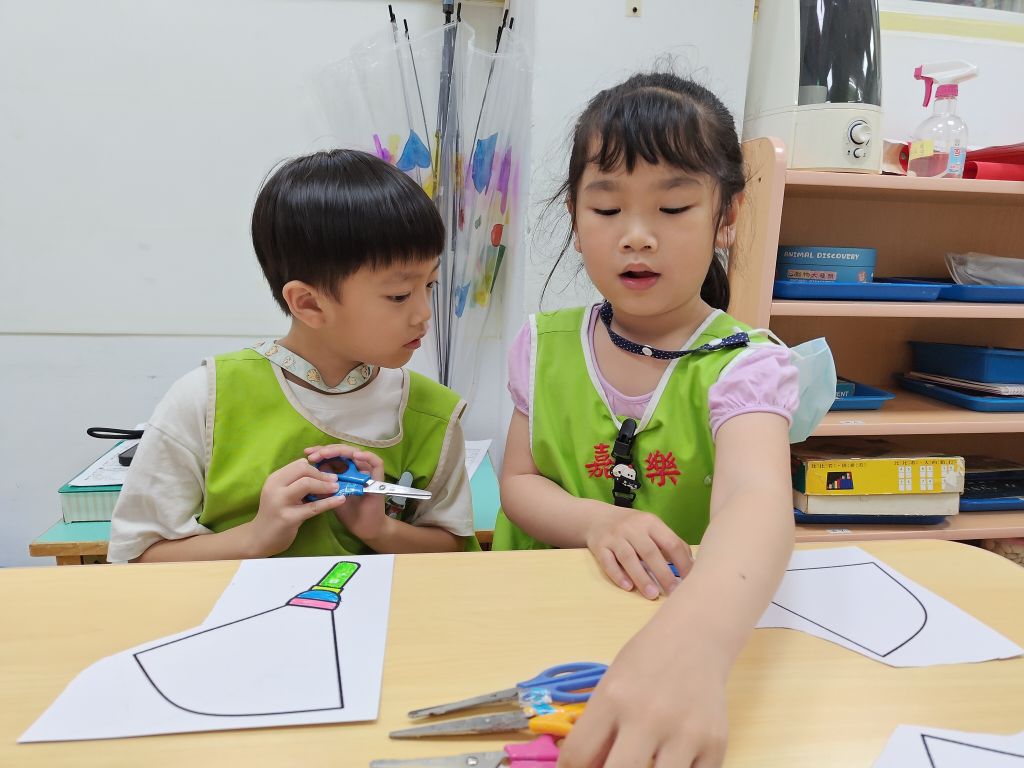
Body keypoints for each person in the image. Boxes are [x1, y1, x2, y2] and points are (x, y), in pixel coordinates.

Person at [494, 72, 832, 767]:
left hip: (671, 629)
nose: (637, 237)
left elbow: (756, 500)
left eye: (673, 207)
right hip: (528, 625)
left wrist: (695, 646)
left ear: (727, 215)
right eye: (606, 208)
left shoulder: (746, 365)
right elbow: (519, 483)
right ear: (574, 216)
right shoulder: (543, 343)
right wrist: (596, 522)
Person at [108, 149, 476, 563]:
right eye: (399, 295)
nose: (424, 313)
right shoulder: (207, 400)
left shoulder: (433, 414)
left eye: (430, 285)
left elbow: (455, 550)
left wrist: (379, 529)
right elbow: (136, 557)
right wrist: (256, 538)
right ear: (309, 303)